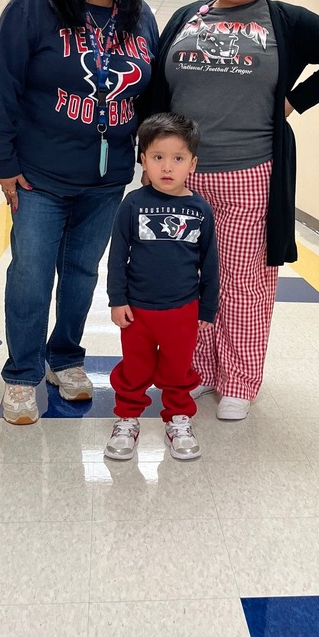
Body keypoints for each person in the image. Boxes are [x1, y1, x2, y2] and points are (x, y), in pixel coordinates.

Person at [150, 0, 319, 420]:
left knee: (245, 281)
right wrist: (153, 157)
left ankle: (240, 380)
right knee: (191, 279)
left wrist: (295, 100)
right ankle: (199, 370)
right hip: (182, 177)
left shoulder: (283, 20)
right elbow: (159, 90)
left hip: (250, 172)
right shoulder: (187, 17)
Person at [0, 0, 159, 425]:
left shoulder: (139, 16)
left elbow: (149, 96)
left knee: (82, 274)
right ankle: (21, 375)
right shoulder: (36, 3)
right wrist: (3, 162)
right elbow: (2, 83)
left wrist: (148, 158)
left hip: (106, 180)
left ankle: (65, 359)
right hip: (39, 174)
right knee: (32, 275)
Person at [105, 113, 219, 460]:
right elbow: (117, 255)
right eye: (157, 157)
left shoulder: (199, 209)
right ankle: (127, 419)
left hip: (182, 310)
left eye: (178, 158)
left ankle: (178, 419)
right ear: (144, 160)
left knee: (177, 369)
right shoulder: (133, 204)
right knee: (135, 368)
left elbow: (210, 262)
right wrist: (117, 299)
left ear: (192, 164)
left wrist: (207, 308)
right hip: (137, 309)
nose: (167, 167)